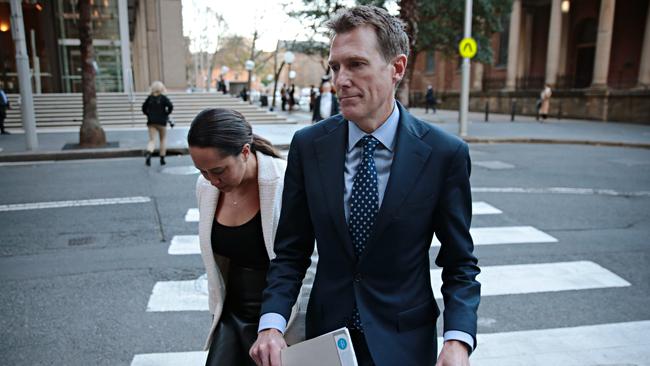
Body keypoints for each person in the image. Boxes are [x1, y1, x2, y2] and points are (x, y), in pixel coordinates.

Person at [250, 5, 480, 366]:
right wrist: (271, 324)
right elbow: (291, 252)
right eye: (335, 67)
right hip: (327, 340)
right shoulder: (309, 146)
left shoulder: (443, 154)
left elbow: (460, 263)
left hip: (404, 342)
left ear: (397, 69)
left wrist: (457, 340)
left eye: (356, 64)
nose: (340, 80)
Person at [188, 108, 305, 366]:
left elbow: (309, 260)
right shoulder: (205, 186)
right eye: (202, 171)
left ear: (244, 152)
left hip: (282, 314)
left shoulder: (284, 181)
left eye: (219, 170)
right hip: (232, 316)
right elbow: (216, 267)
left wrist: (296, 327)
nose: (211, 180)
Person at [141, 81, 173, 166]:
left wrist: (148, 114)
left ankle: (149, 153)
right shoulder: (163, 98)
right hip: (162, 122)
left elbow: (143, 108)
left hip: (151, 122)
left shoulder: (149, 98)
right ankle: (162, 159)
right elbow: (170, 106)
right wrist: (167, 113)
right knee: (162, 140)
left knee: (152, 140)